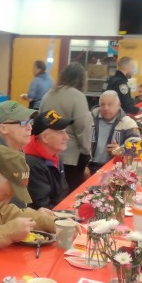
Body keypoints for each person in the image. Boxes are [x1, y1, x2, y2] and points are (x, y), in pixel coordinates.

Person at [40, 62, 93, 190]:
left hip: (47, 152)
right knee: (68, 193)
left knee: (51, 191)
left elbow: (39, 120)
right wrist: (87, 152)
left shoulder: (49, 94)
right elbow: (83, 128)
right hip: (71, 156)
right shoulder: (78, 96)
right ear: (82, 79)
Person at [24, 109, 72, 209]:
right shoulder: (32, 164)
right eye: (61, 132)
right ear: (45, 137)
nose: (66, 137)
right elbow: (42, 206)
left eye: (66, 132)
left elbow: (63, 191)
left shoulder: (55, 157)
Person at [88, 90, 139, 174]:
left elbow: (137, 147)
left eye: (110, 104)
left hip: (115, 169)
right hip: (90, 167)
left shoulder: (128, 123)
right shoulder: (88, 119)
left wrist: (121, 150)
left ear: (119, 105)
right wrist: (83, 167)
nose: (106, 108)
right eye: (103, 104)